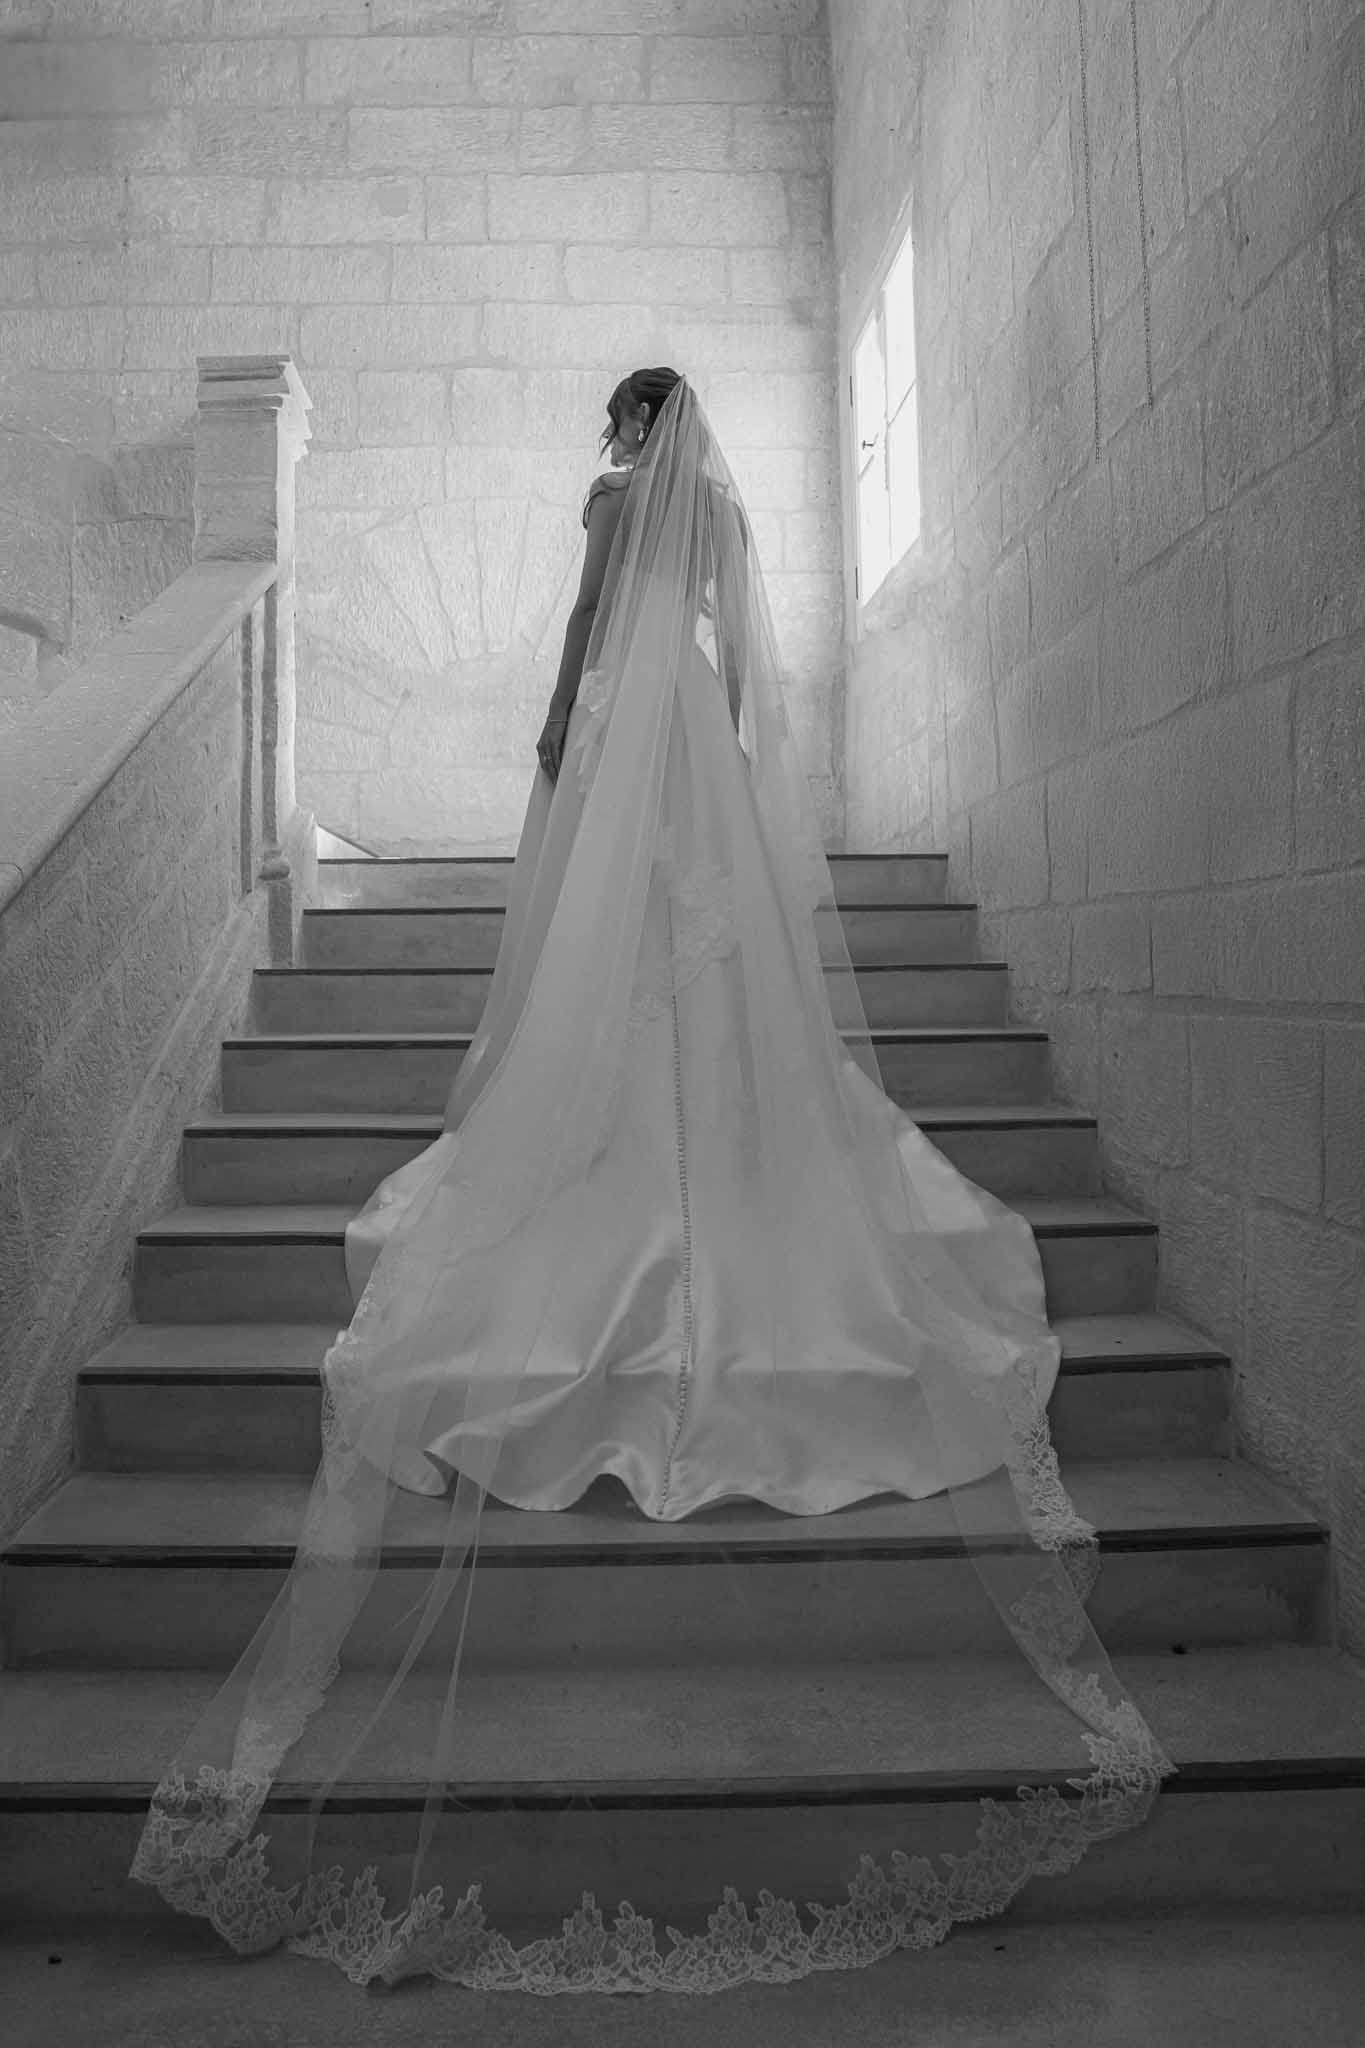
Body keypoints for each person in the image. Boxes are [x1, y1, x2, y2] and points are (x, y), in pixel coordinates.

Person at [131, 371, 1171, 1991]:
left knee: (609, 967)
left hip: (628, 721)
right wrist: (736, 753)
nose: (612, 445)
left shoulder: (617, 503)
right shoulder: (726, 519)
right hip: (693, 731)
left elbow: (578, 629)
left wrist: (560, 724)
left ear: (628, 430)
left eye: (614, 424)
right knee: (700, 971)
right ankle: (723, 1175)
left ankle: (614, 1172)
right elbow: (746, 663)